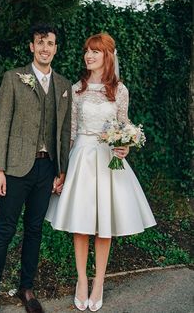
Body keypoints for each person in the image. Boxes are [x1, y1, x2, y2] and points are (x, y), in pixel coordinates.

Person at [46, 33, 156, 312]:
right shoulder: (76, 89)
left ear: (108, 56)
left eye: (95, 51)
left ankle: (99, 282)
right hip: (81, 156)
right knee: (81, 225)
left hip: (107, 160)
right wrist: (62, 171)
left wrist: (126, 147)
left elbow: (124, 126)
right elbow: (69, 133)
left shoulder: (120, 91)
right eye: (87, 51)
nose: (89, 56)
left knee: (103, 225)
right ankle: (81, 280)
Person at [0, 23, 72, 313]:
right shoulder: (13, 79)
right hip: (16, 168)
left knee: (34, 230)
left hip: (47, 170)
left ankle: (26, 288)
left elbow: (64, 131)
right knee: (5, 230)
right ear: (32, 47)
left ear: (56, 48)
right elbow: (2, 126)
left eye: (51, 43)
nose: (46, 48)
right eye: (40, 42)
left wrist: (62, 170)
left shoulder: (64, 85)